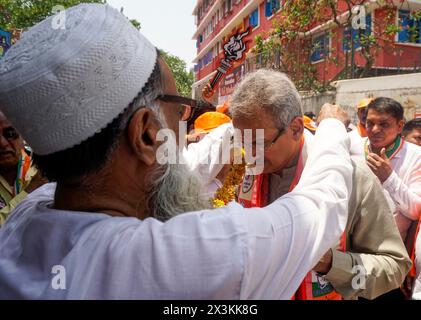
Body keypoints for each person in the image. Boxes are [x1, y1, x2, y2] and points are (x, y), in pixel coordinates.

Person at [0, 4, 353, 299]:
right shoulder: (179, 259)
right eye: (179, 110)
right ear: (145, 133)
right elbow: (321, 205)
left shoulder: (24, 219)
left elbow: (186, 167)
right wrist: (333, 125)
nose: (184, 130)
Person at [232, 70, 411, 300]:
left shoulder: (353, 176)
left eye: (260, 143)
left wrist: (331, 263)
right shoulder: (248, 174)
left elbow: (393, 269)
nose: (250, 155)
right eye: (243, 142)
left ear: (296, 128)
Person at [0, 111, 46, 225]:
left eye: (10, 133)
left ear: (23, 135)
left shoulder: (45, 169)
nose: (2, 143)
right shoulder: (39, 182)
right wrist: (29, 192)